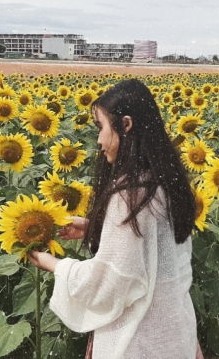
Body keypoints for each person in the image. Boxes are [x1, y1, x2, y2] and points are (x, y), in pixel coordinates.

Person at [28, 79, 201, 359]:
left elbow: (110, 282)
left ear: (126, 124)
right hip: (173, 332)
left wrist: (57, 266)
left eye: (100, 127)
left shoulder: (131, 197)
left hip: (138, 341)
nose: (98, 140)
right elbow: (154, 249)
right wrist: (95, 228)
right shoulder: (166, 180)